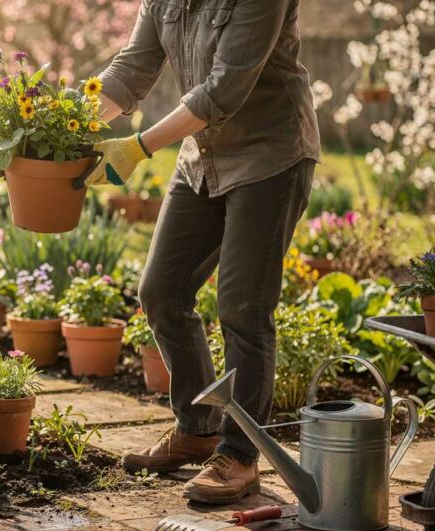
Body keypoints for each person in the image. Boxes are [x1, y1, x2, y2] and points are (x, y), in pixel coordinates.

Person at [85, 0, 320, 505]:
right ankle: (198, 430)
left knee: (242, 307)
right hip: (202, 158)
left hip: (269, 156)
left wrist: (137, 147)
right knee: (162, 293)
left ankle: (239, 455)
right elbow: (131, 69)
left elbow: (222, 92)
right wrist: (62, 126)